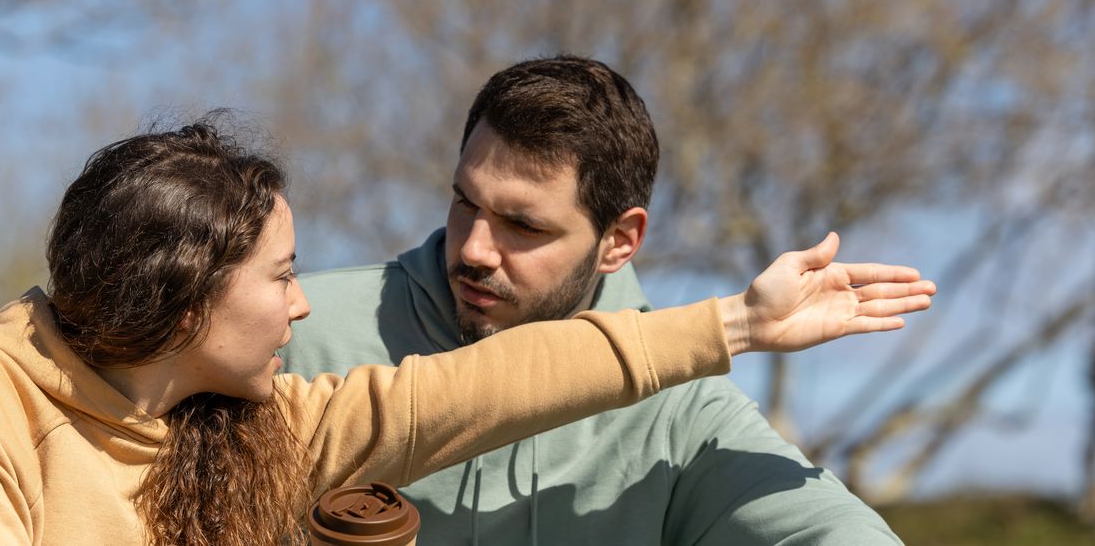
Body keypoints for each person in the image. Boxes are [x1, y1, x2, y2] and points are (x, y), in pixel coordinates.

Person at [0, 115, 932, 545]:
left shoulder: (247, 423)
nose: (302, 306)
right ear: (188, 296)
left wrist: (738, 323)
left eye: (525, 224)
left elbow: (472, 390)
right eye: (283, 277)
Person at [284, 56, 933, 544]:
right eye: (465, 202)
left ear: (620, 240)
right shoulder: (296, 333)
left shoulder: (675, 411)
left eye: (524, 225)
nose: (476, 248)